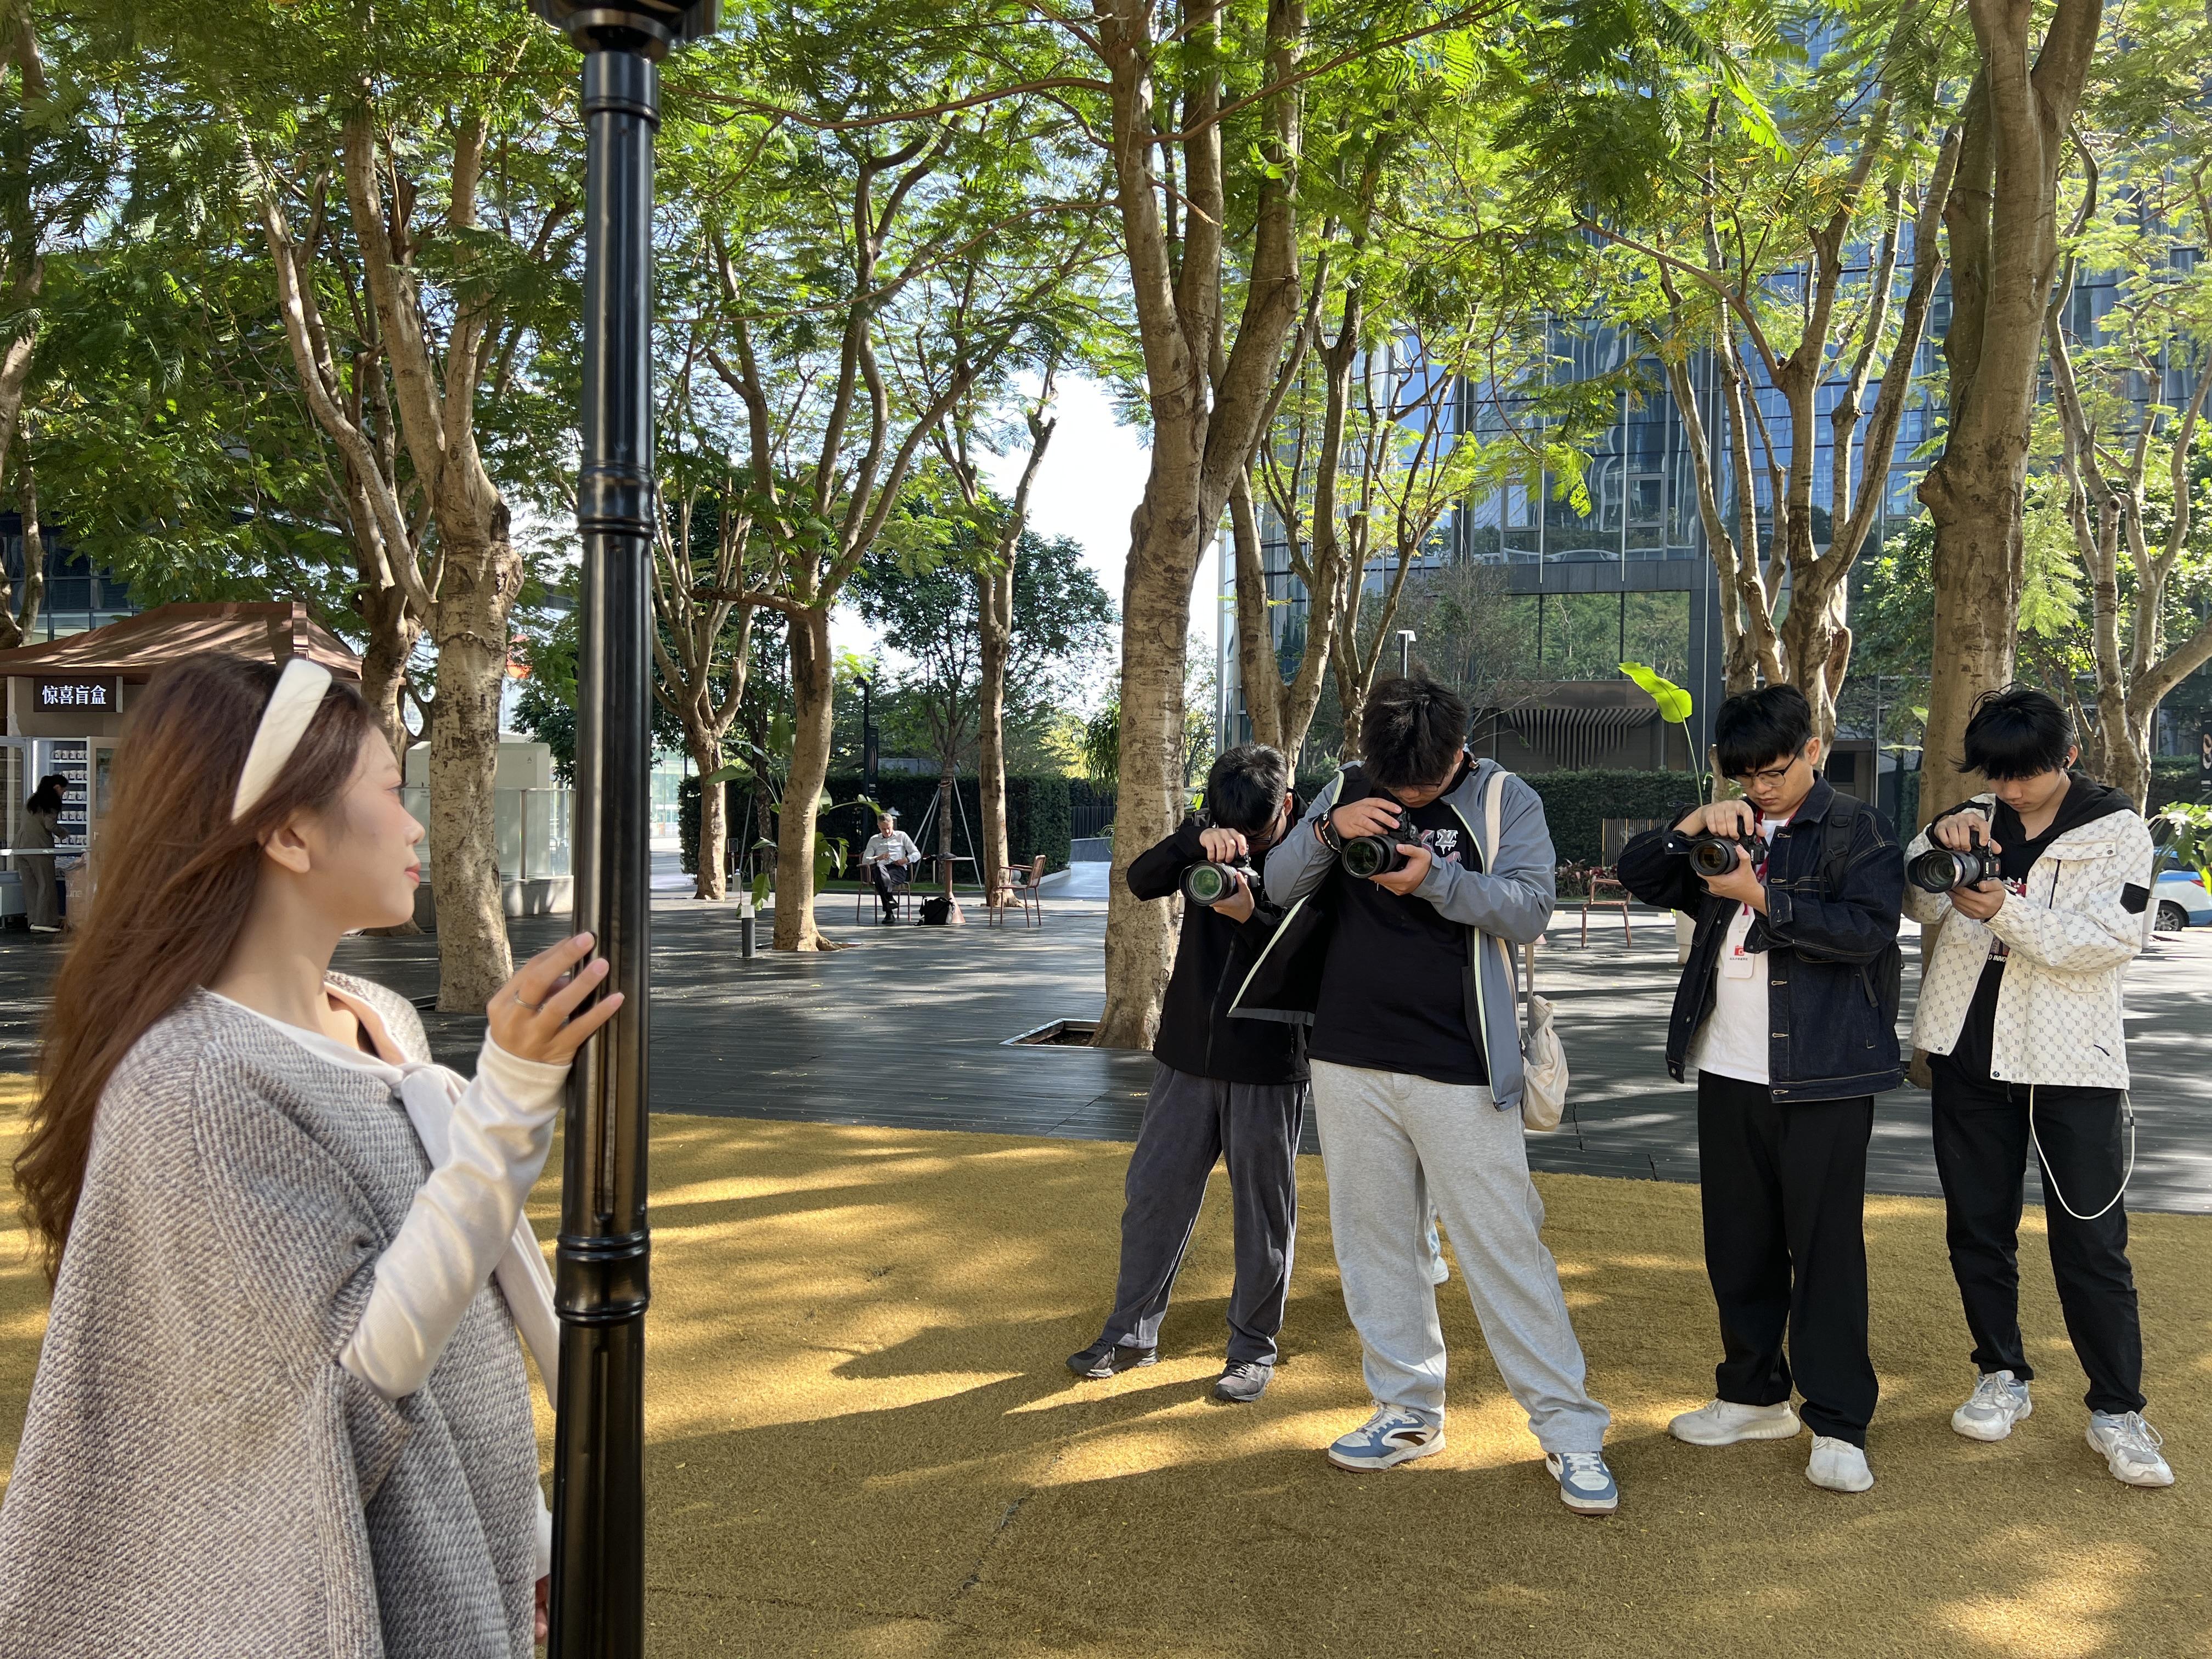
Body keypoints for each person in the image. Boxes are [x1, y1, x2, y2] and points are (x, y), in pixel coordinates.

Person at [0, 653, 622, 1657]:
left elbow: (456, 1331)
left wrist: (524, 1540)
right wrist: (509, 1095)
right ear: (288, 832)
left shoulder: (377, 1017)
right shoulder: (195, 1081)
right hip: (342, 1595)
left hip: (458, 1557)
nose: (415, 825)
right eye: (389, 789)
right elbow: (357, 1366)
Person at [1256, 678, 1619, 1516]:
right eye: (1396, 784)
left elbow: (1531, 911)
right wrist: (1329, 828)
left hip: (1461, 1061)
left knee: (1503, 1246)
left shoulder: (1504, 797)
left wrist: (1434, 881)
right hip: (1347, 1055)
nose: (1408, 797)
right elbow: (1277, 884)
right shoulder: (1349, 786)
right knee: (1375, 1242)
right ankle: (1408, 1412)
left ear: (1459, 752)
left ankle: (1570, 1429)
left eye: (1422, 784)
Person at [1616, 684, 1904, 1496]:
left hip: (1825, 1072)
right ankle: (1752, 1395)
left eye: (1773, 772)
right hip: (1727, 1065)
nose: (1760, 789)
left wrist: (1760, 897)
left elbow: (1866, 932)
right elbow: (1638, 872)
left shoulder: (1857, 828)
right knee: (1738, 1242)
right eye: (1743, 776)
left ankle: (1839, 1422)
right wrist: (1692, 824)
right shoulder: (1728, 825)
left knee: (1825, 1250)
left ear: (1813, 751)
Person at [1906, 685, 2172, 1487]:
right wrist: (1936, 840)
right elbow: (1917, 904)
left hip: (2071, 1064)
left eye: (2026, 773)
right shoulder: (1973, 817)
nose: (2011, 790)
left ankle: (2117, 1411)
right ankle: (2001, 1373)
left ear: (2069, 757)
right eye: (1996, 774)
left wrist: (2003, 910)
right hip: (1967, 1051)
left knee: (2092, 1241)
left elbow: (2110, 941)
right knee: (1978, 1227)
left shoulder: (2117, 830)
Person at [1068, 744, 1307, 1403]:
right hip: (1185, 1054)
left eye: (1259, 833)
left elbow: (1314, 955)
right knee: (1154, 1193)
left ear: (1287, 807)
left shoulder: (1317, 846)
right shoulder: (1206, 831)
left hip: (1268, 1062)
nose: (1247, 844)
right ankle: (1130, 1333)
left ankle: (1252, 1349)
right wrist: (1193, 840)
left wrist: (1252, 915)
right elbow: (1141, 880)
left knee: (1263, 1213)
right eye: (1235, 830)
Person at [16, 772, 67, 933]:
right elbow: (50, 825)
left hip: (21, 846)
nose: (63, 794)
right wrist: (63, 833)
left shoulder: (33, 800)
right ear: (57, 787)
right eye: (63, 790)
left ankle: (33, 920)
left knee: (30, 886)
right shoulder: (51, 802)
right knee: (46, 884)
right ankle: (44, 921)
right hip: (39, 847)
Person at [858, 810, 921, 922]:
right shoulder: (874, 840)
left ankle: (889, 913)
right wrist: (878, 858)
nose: (887, 832)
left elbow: (917, 854)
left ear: (893, 824)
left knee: (880, 880)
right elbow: (865, 860)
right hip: (881, 869)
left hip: (898, 869)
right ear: (879, 827)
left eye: (889, 828)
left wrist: (905, 860)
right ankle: (890, 900)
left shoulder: (902, 836)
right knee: (878, 870)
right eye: (884, 829)